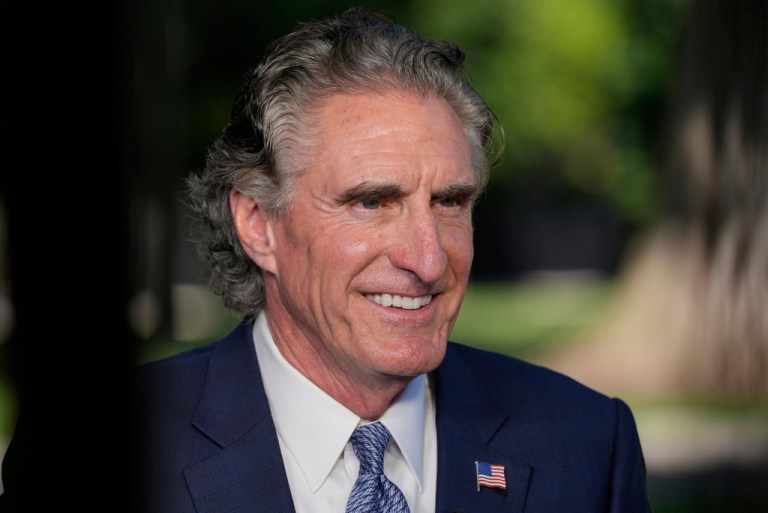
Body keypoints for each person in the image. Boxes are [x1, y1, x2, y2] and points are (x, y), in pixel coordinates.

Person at [135, 7, 652, 512]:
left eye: (449, 202)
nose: (428, 261)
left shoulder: (585, 444)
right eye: (371, 202)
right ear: (258, 223)